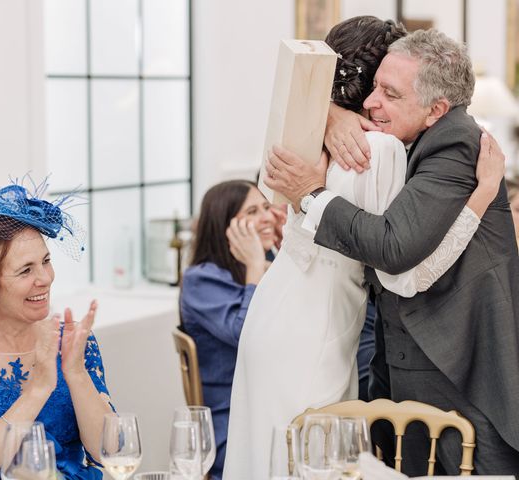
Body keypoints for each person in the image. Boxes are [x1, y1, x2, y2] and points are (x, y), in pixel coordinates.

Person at [223, 18, 505, 479]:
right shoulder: (384, 151)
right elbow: (402, 271)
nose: (379, 100)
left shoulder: (303, 131)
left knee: (272, 453)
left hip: (272, 314)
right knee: (319, 461)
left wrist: (326, 113)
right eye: (381, 86)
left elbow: (275, 190)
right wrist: (480, 198)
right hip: (319, 329)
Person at [0, 181, 113, 480]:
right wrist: (38, 389)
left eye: (46, 261)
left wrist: (75, 373)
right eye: (26, 270)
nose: (45, 279)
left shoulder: (75, 341)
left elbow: (112, 453)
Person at [179, 180, 278, 480]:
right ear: (225, 226)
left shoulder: (268, 263)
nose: (267, 217)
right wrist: (255, 267)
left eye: (266, 207)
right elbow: (247, 335)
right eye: (252, 211)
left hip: (269, 407)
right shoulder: (200, 280)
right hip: (232, 423)